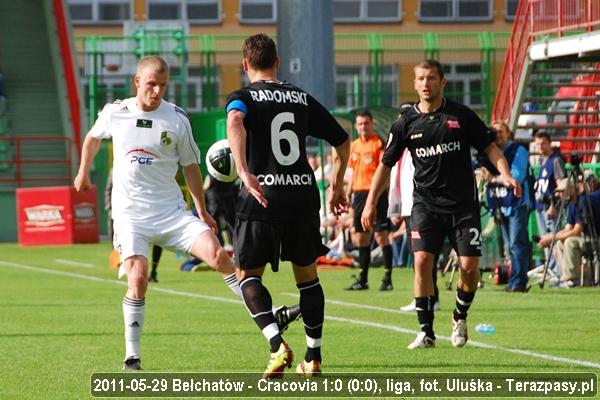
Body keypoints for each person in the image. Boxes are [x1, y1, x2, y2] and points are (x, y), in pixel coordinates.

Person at [74, 55, 299, 370]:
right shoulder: (116, 113)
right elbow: (92, 139)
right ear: (137, 81)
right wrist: (83, 172)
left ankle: (271, 316)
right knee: (137, 278)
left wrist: (201, 210)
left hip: (171, 212)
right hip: (131, 216)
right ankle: (132, 356)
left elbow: (190, 167)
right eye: (151, 84)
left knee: (220, 257)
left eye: (163, 85)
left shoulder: (176, 119)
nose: (157, 91)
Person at [361, 59, 520, 349]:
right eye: (420, 78)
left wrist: (506, 174)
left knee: (469, 269)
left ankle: (459, 316)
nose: (425, 83)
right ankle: (426, 331)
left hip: (462, 206)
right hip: (425, 205)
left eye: (431, 78)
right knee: (421, 261)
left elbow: (489, 147)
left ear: (442, 82)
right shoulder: (406, 122)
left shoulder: (459, 114)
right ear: (414, 83)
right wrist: (370, 203)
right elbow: (386, 164)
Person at [226, 34, 349, 378]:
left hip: (262, 196)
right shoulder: (301, 97)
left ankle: (277, 345)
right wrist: (337, 187)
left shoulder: (242, 97)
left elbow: (235, 121)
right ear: (277, 62)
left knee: (247, 276)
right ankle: (313, 357)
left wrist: (244, 171)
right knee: (308, 278)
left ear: (245, 64)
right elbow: (342, 140)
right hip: (301, 196)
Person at [345, 110, 394, 291]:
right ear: (356, 126)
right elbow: (353, 173)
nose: (363, 127)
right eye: (360, 124)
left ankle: (388, 277)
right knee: (361, 238)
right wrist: (348, 194)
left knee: (381, 235)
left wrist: (383, 194)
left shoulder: (378, 143)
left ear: (371, 124)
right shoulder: (354, 145)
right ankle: (363, 279)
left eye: (366, 123)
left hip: (376, 195)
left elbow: (385, 172)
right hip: (358, 195)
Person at [484, 120, 533, 292]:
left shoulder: (518, 150)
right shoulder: (490, 153)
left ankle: (519, 281)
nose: (497, 135)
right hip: (500, 203)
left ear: (508, 133)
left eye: (500, 131)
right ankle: (514, 279)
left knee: (517, 243)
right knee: (509, 245)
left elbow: (516, 177)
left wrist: (493, 179)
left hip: (516, 202)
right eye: (494, 132)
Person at [532, 130, 566, 276]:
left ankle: (558, 272)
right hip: (540, 207)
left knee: (553, 240)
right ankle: (552, 271)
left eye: (543, 143)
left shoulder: (555, 160)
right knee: (546, 241)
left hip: (550, 208)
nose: (541, 146)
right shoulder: (543, 162)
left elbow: (561, 186)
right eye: (538, 144)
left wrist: (554, 205)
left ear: (549, 143)